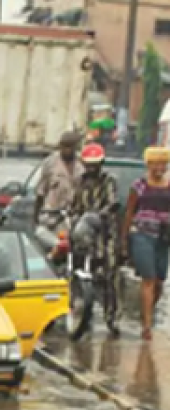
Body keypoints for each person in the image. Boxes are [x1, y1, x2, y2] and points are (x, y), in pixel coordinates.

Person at [67, 142, 122, 336]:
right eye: (88, 164)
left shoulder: (109, 181)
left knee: (110, 277)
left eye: (95, 164)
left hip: (105, 236)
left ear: (101, 163)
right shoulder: (80, 182)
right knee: (75, 271)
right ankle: (78, 312)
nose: (91, 169)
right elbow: (73, 206)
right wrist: (72, 216)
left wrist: (99, 214)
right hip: (83, 236)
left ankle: (111, 318)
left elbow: (113, 203)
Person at [121, 146, 170, 340]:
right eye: (156, 163)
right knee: (148, 279)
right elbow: (130, 212)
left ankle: (146, 310)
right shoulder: (139, 185)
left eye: (164, 164)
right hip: (142, 235)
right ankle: (147, 326)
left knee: (159, 282)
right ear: (148, 165)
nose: (160, 167)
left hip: (164, 237)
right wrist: (124, 240)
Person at [33, 131, 84, 225]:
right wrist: (36, 216)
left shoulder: (81, 164)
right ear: (60, 146)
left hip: (73, 216)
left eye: (70, 146)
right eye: (65, 146)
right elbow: (41, 191)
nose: (67, 150)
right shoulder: (50, 163)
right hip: (51, 214)